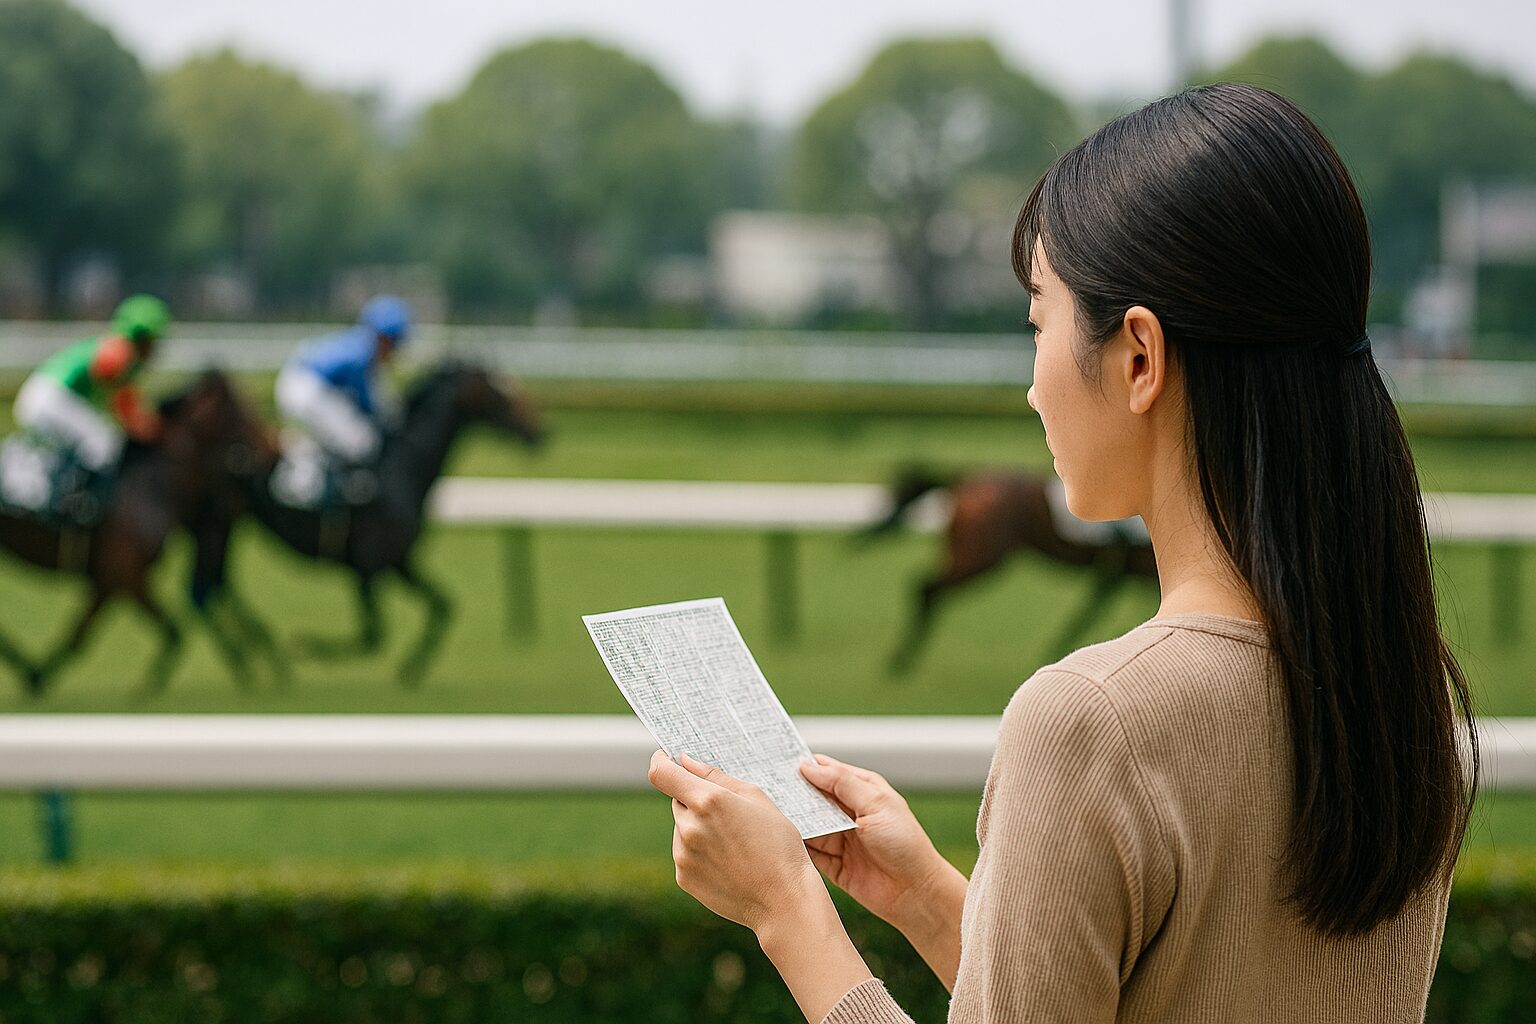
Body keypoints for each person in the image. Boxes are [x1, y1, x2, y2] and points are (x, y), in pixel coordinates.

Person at [647, 83, 1476, 1022]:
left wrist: (786, 910)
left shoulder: (1090, 725)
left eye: (1038, 323)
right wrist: (923, 896)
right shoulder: (1397, 695)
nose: (1033, 389)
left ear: (1138, 359)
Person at [12, 293, 168, 485]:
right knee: (104, 441)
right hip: (51, 399)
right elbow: (123, 407)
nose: (156, 348)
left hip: (43, 398)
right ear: (143, 337)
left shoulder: (120, 349)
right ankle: (79, 503)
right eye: (154, 341)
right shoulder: (120, 353)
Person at [271, 295, 410, 505]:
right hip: (307, 389)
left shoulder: (358, 342)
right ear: (384, 338)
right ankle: (333, 492)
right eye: (395, 343)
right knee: (363, 441)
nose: (395, 351)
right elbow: (368, 402)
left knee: (339, 437)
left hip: (300, 383)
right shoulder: (363, 352)